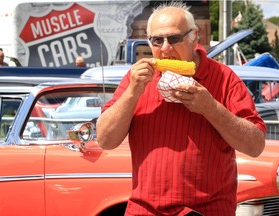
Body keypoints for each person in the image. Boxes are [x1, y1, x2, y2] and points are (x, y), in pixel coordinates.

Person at [97, 2, 266, 216]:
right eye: (157, 40)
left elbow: (255, 145)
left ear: (194, 36)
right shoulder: (135, 80)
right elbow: (105, 140)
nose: (166, 48)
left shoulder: (224, 79)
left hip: (207, 211)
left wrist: (211, 109)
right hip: (145, 210)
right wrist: (132, 92)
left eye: (174, 38)